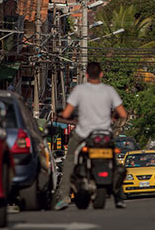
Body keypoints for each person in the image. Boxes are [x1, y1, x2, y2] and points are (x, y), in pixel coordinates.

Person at [54, 62, 128, 210]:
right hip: (105, 135)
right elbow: (123, 114)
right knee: (115, 162)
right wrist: (113, 116)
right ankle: (119, 196)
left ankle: (63, 196)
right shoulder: (109, 91)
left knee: (69, 161)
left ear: (86, 75)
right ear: (101, 74)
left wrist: (62, 114)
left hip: (84, 135)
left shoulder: (80, 90)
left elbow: (67, 113)